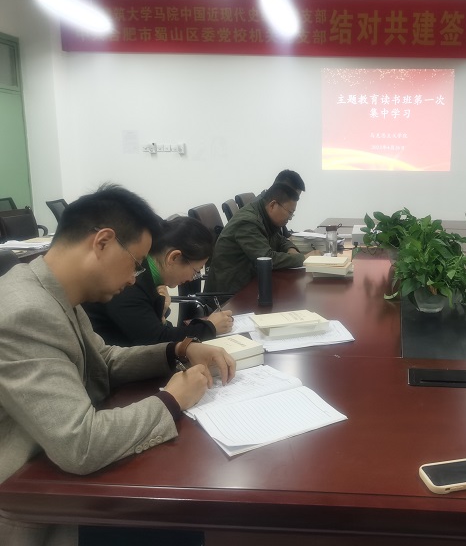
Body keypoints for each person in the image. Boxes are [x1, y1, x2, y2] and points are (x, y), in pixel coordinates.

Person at [0, 185, 235, 546]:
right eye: (136, 263)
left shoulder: (51, 289)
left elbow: (103, 361)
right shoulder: (24, 312)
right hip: (33, 501)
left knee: (183, 512)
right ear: (103, 242)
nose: (134, 278)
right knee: (180, 521)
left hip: (54, 473)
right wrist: (172, 400)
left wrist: (178, 350)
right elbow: (80, 444)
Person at [84, 216, 234, 346]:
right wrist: (209, 327)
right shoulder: (130, 280)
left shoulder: (150, 274)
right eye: (196, 271)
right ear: (174, 257)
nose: (191, 278)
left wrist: (161, 312)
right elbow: (156, 341)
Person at [205, 182, 321, 295]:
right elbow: (267, 258)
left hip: (249, 283)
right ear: (273, 205)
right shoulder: (248, 222)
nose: (290, 218)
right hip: (229, 295)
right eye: (290, 213)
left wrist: (291, 249)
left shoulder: (263, 214)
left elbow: (279, 238)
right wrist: (303, 258)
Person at [253, 169, 307, 238]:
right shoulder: (258, 216)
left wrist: (303, 235)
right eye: (294, 196)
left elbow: (283, 236)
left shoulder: (272, 206)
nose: (295, 200)